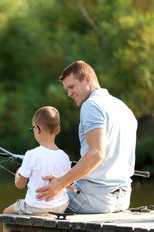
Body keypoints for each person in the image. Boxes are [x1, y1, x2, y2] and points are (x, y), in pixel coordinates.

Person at [36, 60, 138, 214]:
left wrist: (60, 183)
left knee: (35, 201)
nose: (69, 94)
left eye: (71, 87)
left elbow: (97, 154)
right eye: (67, 90)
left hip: (95, 200)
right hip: (123, 199)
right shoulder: (123, 108)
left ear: (87, 79)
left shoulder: (91, 105)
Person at [2, 106, 70, 232]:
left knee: (6, 213)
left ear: (37, 129)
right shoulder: (64, 156)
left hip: (34, 207)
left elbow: (20, 184)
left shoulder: (31, 154)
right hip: (60, 207)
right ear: (58, 130)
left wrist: (18, 173)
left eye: (33, 129)